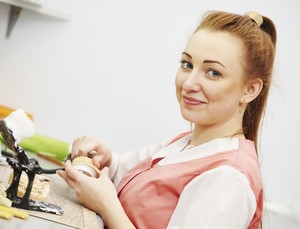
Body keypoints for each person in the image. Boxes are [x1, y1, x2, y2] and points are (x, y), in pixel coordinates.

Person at [57, 10, 277, 229]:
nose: (189, 83)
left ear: (250, 90)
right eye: (187, 64)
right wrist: (105, 159)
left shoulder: (229, 179)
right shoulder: (188, 143)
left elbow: (112, 201)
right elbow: (130, 180)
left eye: (213, 73)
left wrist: (107, 206)